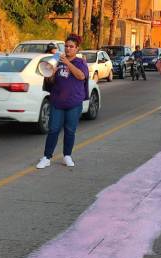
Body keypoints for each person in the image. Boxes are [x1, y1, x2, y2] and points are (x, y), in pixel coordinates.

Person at [36, 34, 89, 169]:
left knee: (70, 130)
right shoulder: (56, 61)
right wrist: (51, 73)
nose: (68, 49)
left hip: (73, 102)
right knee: (53, 129)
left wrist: (67, 63)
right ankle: (47, 157)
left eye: (71, 47)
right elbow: (50, 82)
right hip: (57, 101)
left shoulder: (80, 62)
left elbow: (81, 76)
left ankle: (67, 156)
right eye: (66, 46)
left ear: (77, 49)